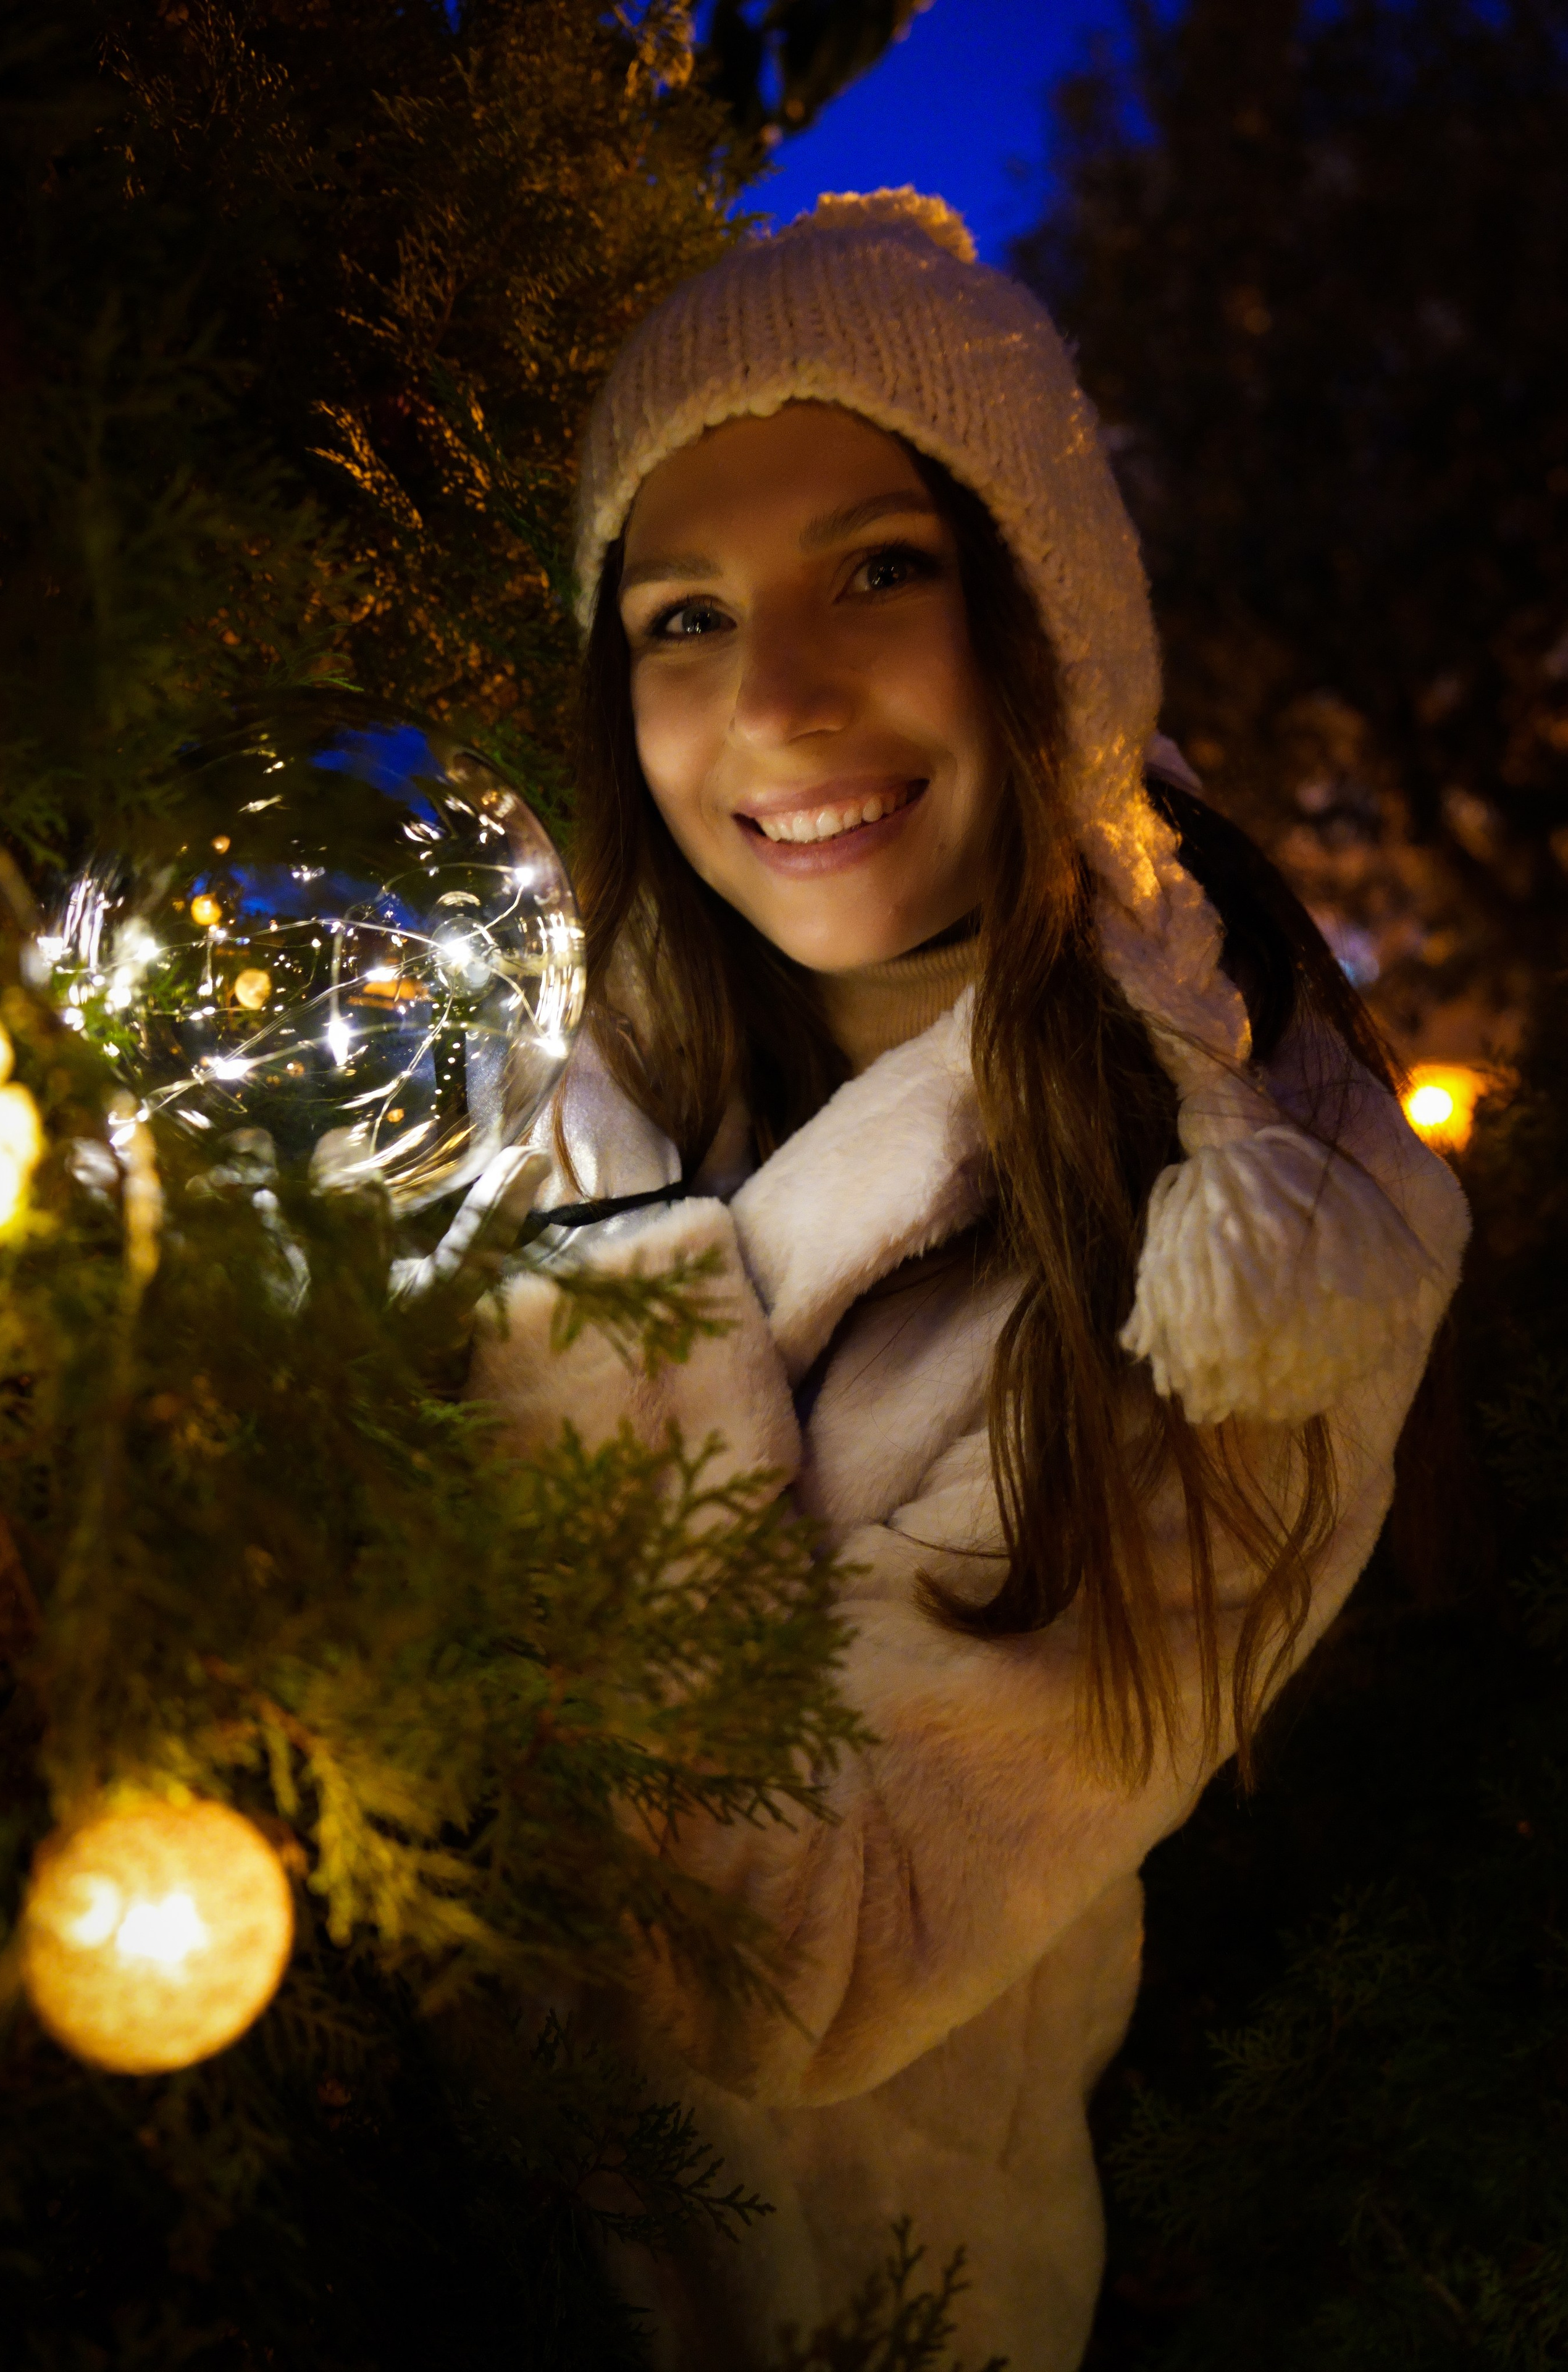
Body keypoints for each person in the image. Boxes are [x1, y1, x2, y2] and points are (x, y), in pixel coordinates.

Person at [473, 191, 1469, 2371]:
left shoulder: (1245, 1268)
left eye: (882, 570)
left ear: (1053, 619)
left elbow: (784, 1965)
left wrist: (582, 1318)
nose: (783, 698)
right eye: (683, 616)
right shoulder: (544, 1052)